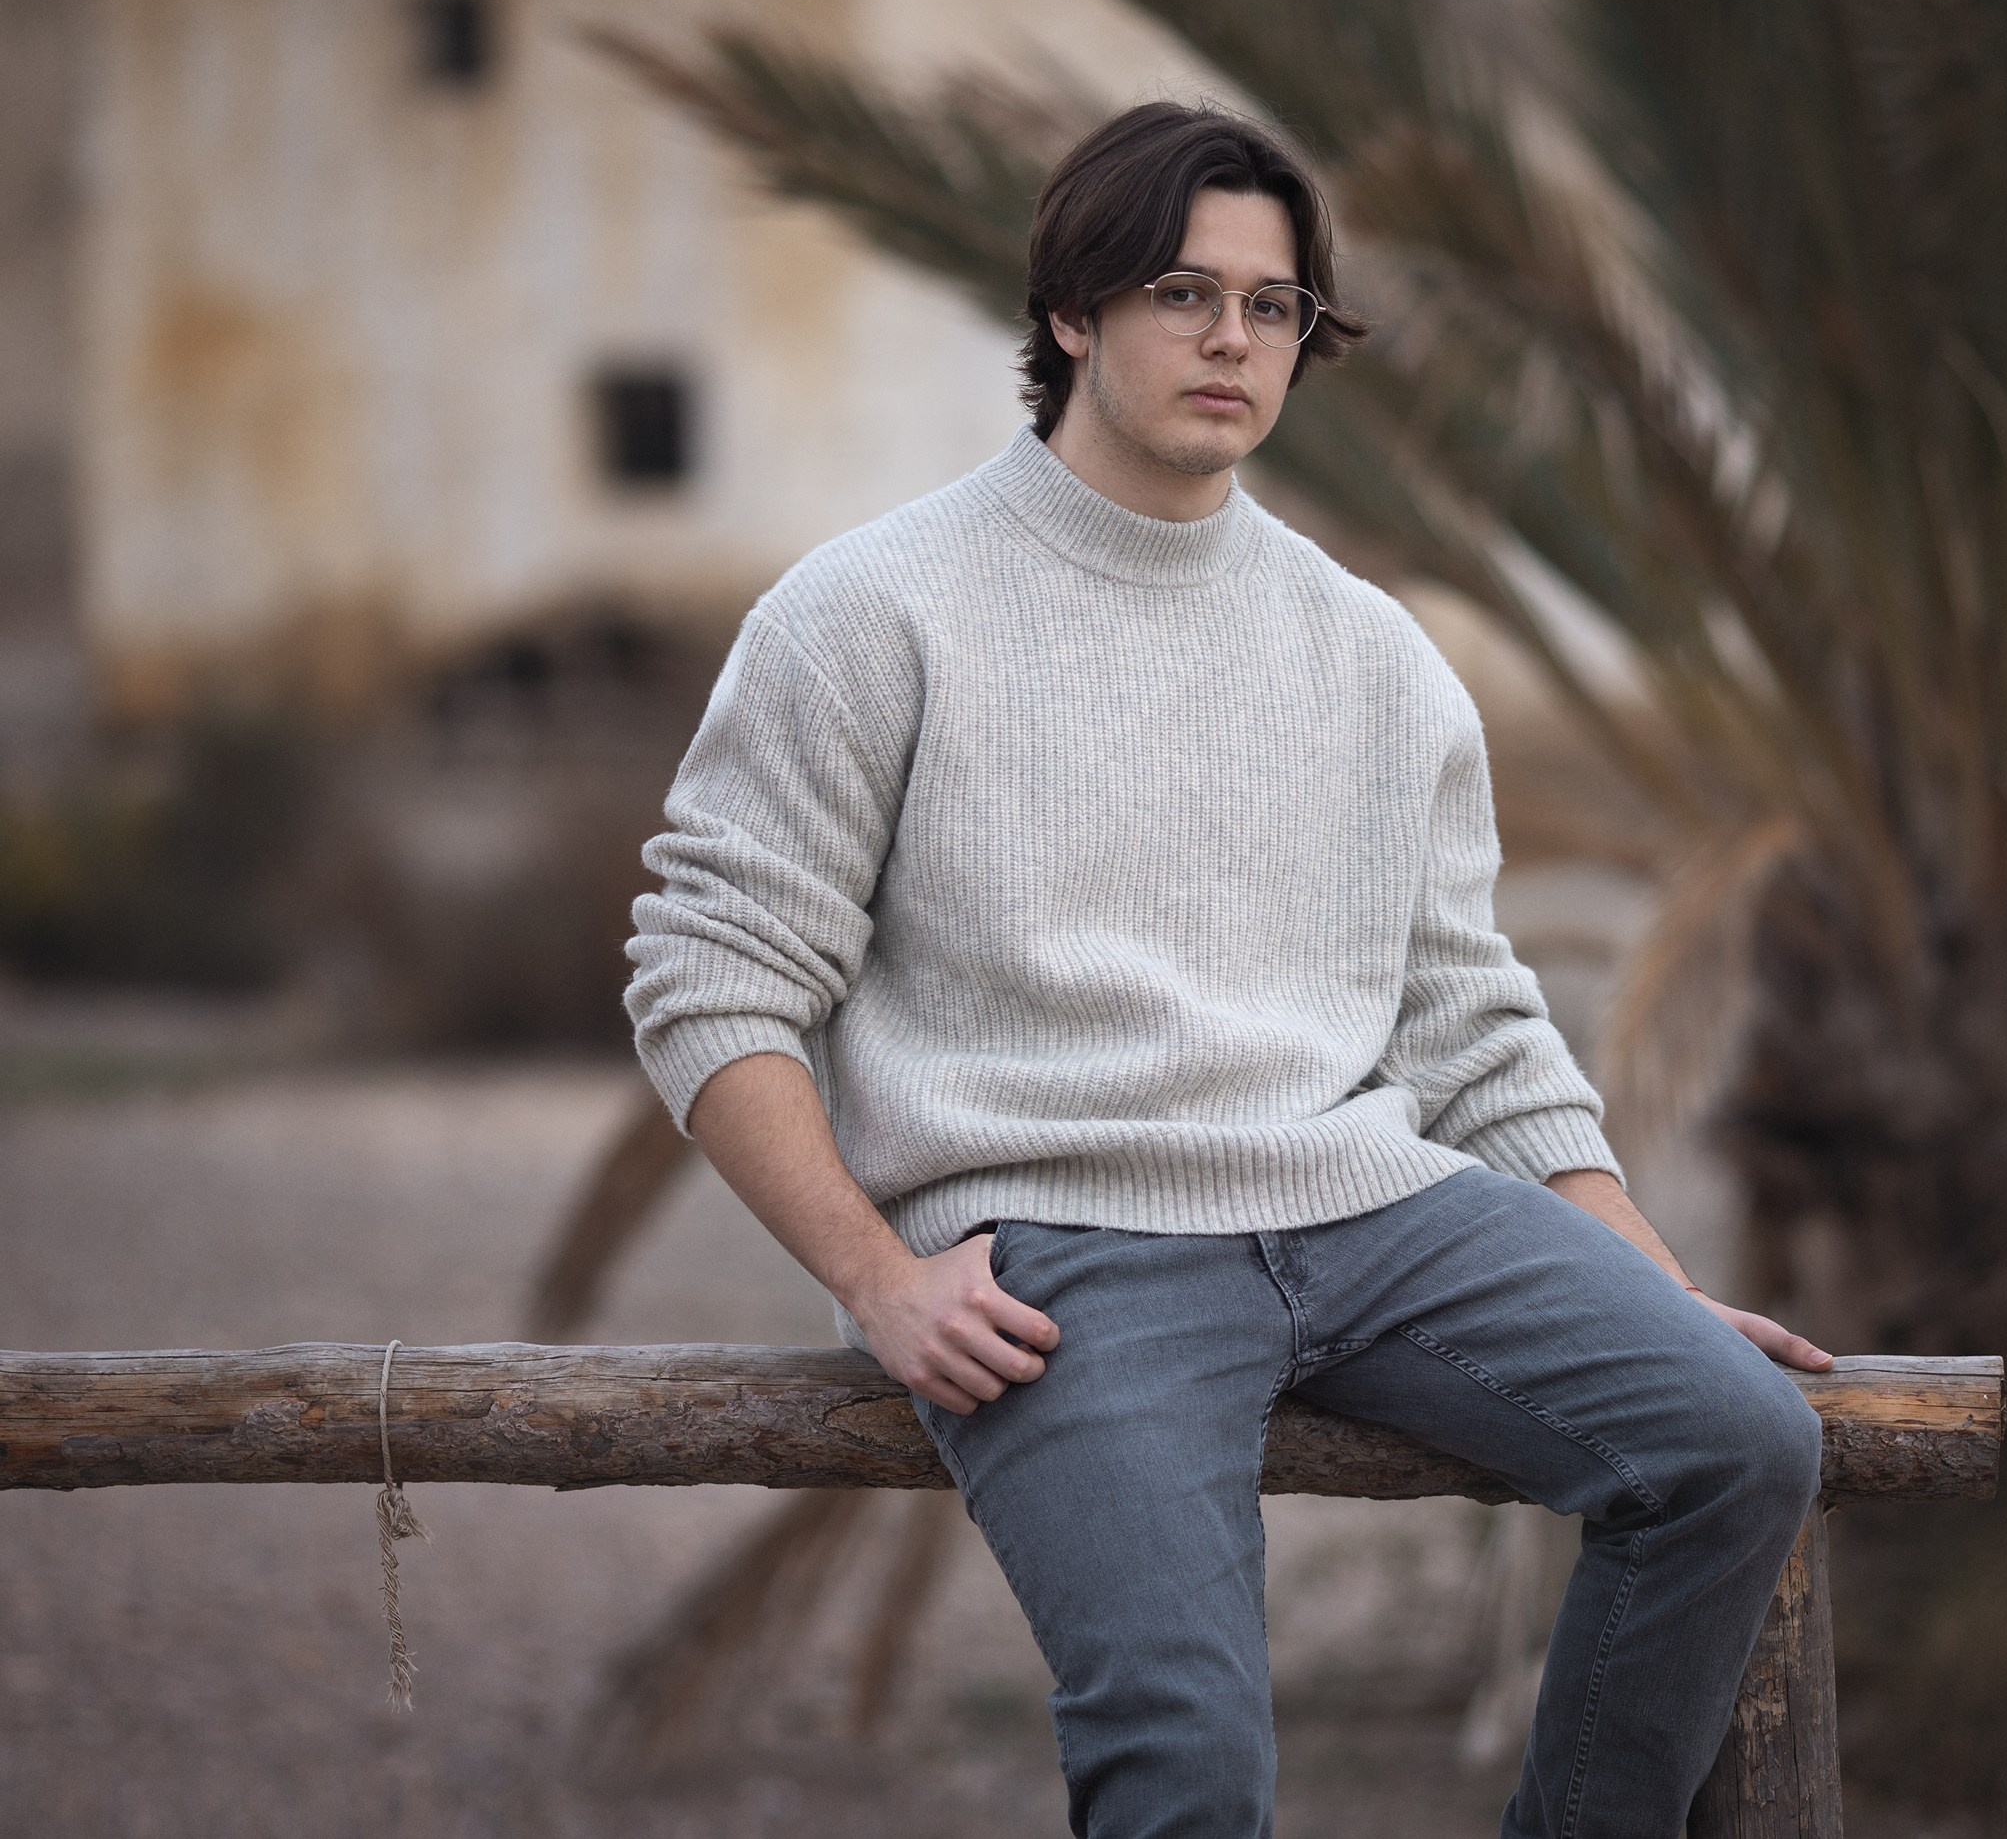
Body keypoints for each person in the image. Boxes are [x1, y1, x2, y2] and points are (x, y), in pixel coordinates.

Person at [625, 100, 1829, 1839]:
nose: (1231, 340)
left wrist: (1642, 1284)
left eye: (1273, 309)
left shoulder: (1372, 653)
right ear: (1070, 315)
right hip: (1063, 1257)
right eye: (1186, 293)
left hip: (1372, 1212)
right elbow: (709, 975)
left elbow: (1474, 1025)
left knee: (1740, 1441)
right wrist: (879, 1278)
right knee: (1184, 1769)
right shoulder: (868, 612)